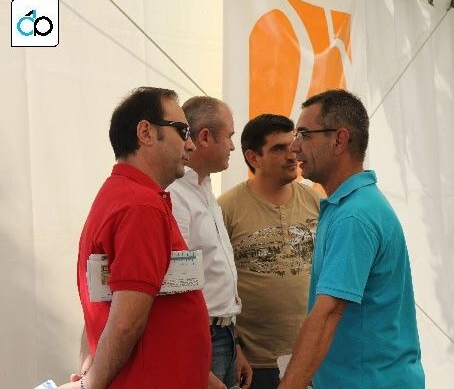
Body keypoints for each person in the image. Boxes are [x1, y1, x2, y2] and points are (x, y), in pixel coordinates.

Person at [59, 87, 211, 389]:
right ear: (146, 133)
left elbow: (113, 301)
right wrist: (90, 385)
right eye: (183, 131)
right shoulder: (141, 205)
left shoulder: (127, 195)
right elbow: (126, 323)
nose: (191, 145)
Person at [279, 89, 424, 389]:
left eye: (304, 134)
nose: (294, 147)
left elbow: (328, 313)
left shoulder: (353, 216)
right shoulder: (349, 205)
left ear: (339, 140)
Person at [218, 114, 321, 389]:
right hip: (253, 366)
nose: (292, 154)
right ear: (253, 157)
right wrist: (234, 347)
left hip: (313, 358)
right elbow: (215, 287)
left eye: (293, 143)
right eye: (278, 148)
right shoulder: (226, 209)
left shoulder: (316, 201)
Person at [167, 96, 252, 389]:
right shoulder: (176, 194)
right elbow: (174, 288)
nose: (232, 146)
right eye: (229, 136)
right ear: (204, 137)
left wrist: (234, 342)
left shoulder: (203, 187)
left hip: (222, 334)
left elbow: (215, 275)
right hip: (200, 336)